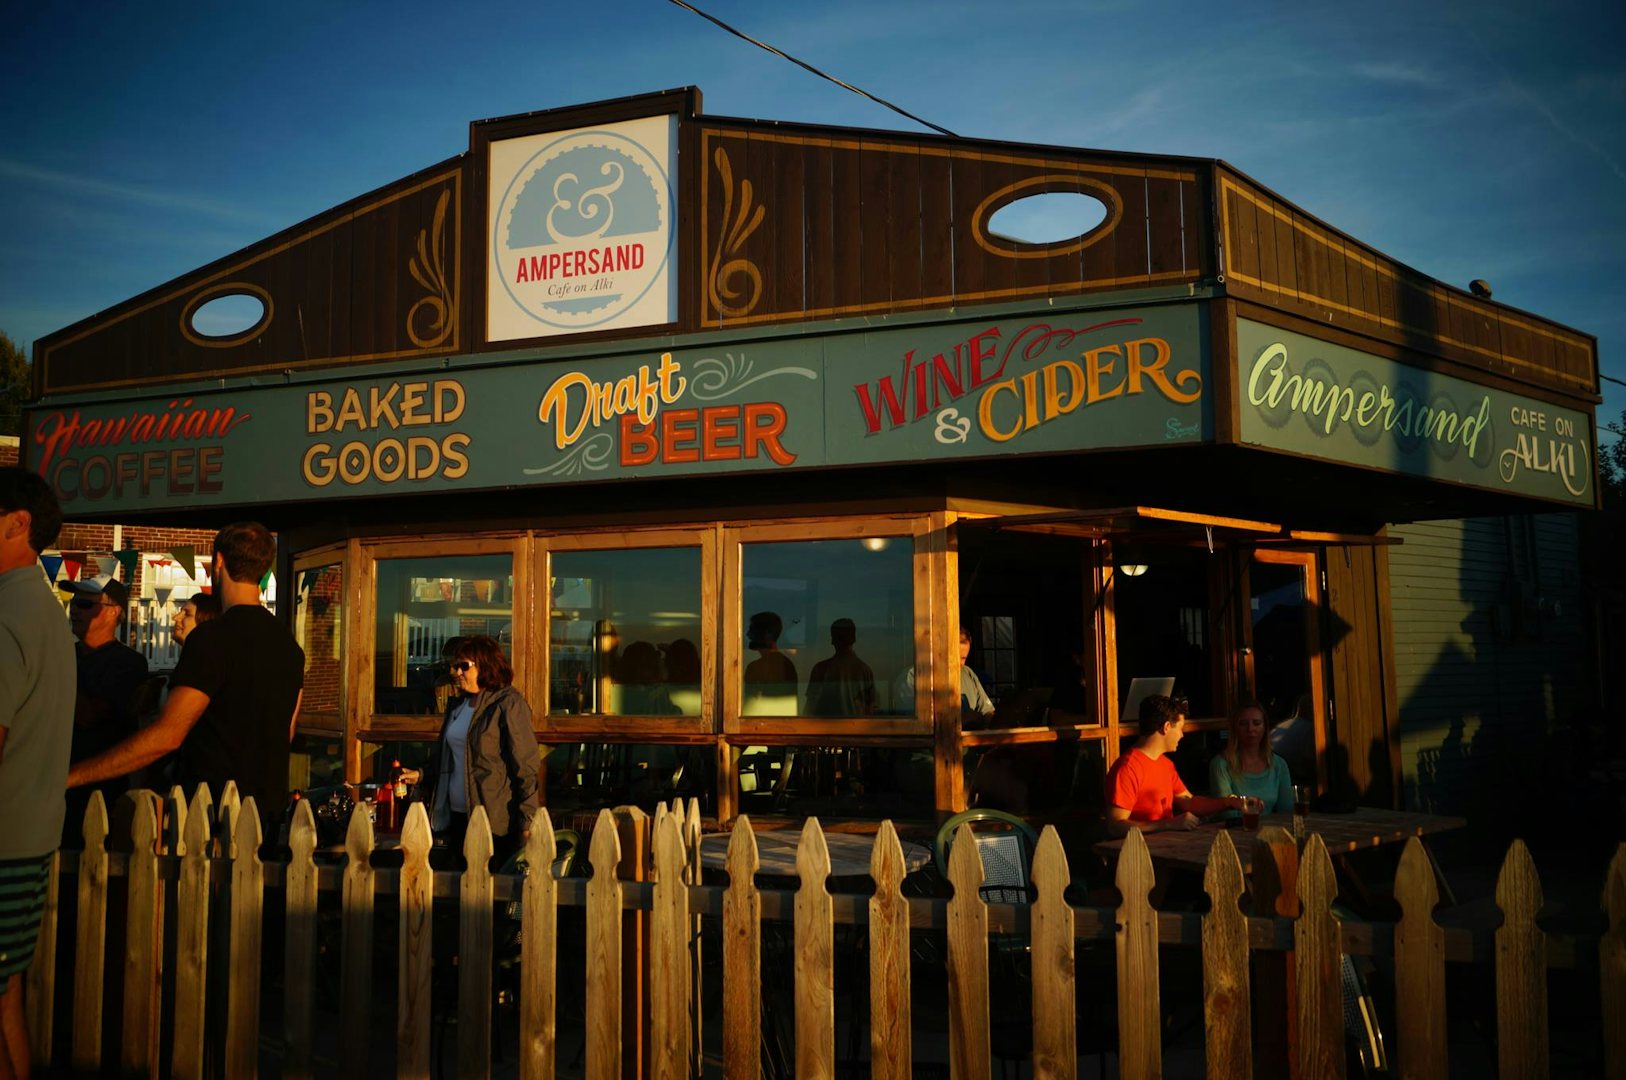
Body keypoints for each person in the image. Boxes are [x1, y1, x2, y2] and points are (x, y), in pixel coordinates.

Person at [67, 522, 305, 824]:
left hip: (211, 818)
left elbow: (168, 735)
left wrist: (72, 777)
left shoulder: (211, 638)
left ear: (218, 562)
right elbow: (287, 732)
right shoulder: (289, 646)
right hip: (268, 816)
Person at [0, 466, 75, 1080]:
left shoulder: (7, 613)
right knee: (6, 999)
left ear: (17, 524)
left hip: (2, 841)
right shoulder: (47, 612)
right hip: (28, 837)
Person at [398, 634, 540, 862]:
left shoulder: (507, 703)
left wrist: (527, 821)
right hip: (456, 815)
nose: (456, 672)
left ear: (486, 665)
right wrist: (422, 774)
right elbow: (452, 758)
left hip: (494, 820)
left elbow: (525, 767)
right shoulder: (458, 705)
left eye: (464, 666)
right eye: (454, 666)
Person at [56, 576, 148, 845]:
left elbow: (90, 715)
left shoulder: (128, 663)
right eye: (73, 602)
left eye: (85, 604)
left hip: (100, 791)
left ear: (114, 611)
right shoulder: (63, 654)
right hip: (54, 787)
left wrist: (51, 677)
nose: (74, 609)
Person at [1105, 694, 1245, 833]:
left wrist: (1228, 803)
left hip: (1168, 846)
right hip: (1140, 852)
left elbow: (1189, 803)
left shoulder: (1165, 764)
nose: (1182, 735)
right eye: (1180, 729)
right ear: (1166, 727)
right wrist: (1168, 824)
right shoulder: (1128, 768)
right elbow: (1115, 825)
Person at [1209, 698, 1294, 818]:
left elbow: (1286, 810)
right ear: (1235, 729)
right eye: (1243, 724)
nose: (1250, 729)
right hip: (1236, 832)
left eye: (1257, 723)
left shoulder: (1279, 764)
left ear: (1265, 727)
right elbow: (1227, 813)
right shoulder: (1221, 764)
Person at [806, 618, 877, 716]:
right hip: (857, 730)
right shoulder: (865, 671)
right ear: (854, 639)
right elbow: (870, 709)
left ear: (833, 640)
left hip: (824, 730)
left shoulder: (820, 669)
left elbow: (810, 708)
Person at [742, 610, 798, 715]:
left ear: (768, 633)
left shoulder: (758, 667)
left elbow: (751, 707)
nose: (749, 634)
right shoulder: (786, 664)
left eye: (752, 629)